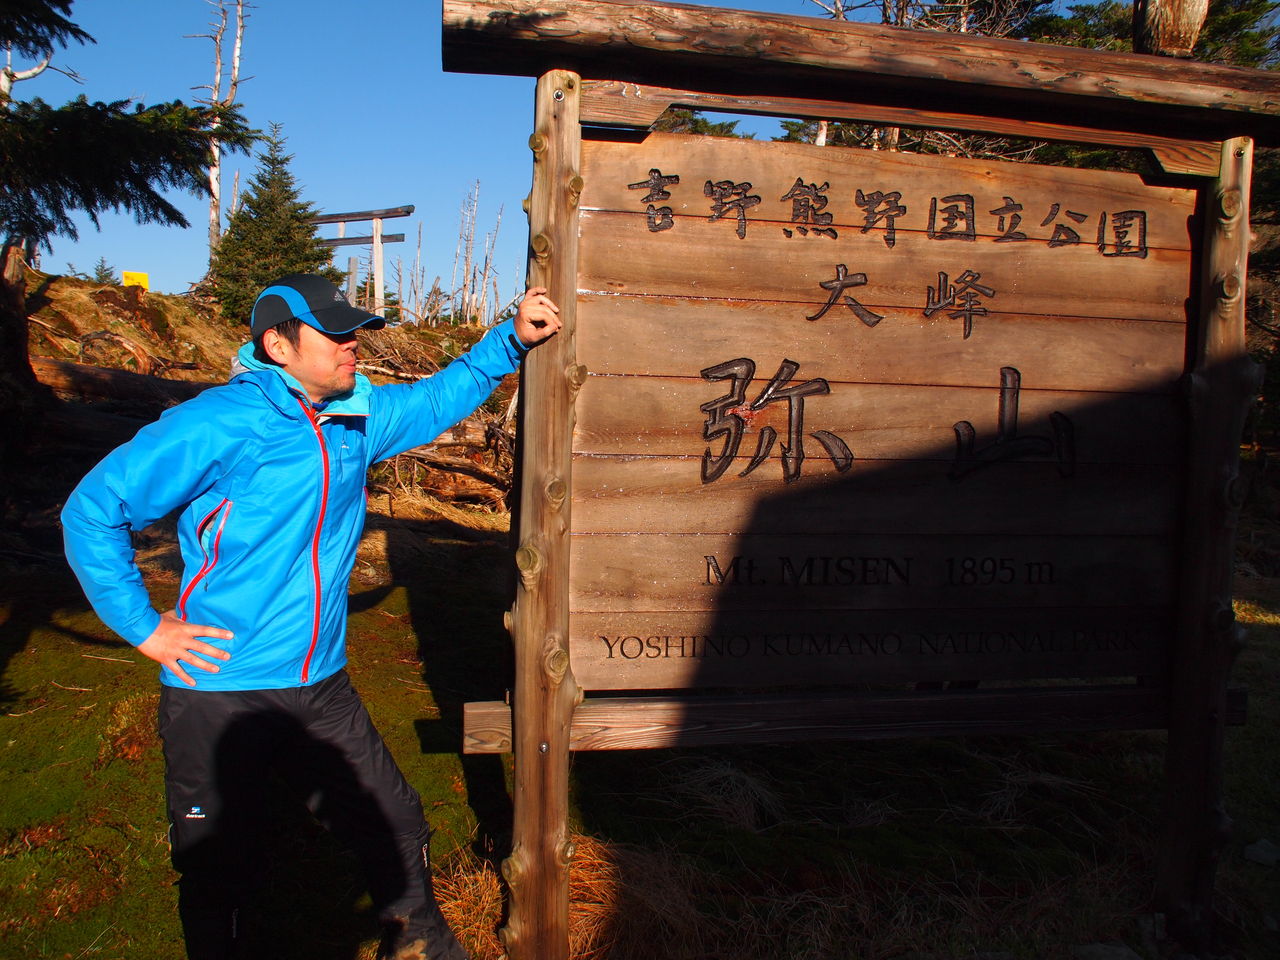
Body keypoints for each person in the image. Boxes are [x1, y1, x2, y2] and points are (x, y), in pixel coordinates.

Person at [61, 273, 561, 960]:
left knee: (393, 820)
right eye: (336, 333)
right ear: (278, 343)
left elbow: (431, 400)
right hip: (218, 691)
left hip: (321, 685)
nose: (352, 344)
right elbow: (92, 510)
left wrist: (510, 338)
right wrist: (146, 627)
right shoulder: (220, 423)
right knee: (219, 865)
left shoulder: (353, 416)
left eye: (354, 330)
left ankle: (419, 943)